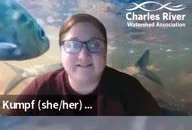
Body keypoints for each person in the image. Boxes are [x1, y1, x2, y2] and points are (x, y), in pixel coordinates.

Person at [18, 13, 161, 116]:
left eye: (94, 44)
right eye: (73, 45)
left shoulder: (130, 89)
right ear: (61, 50)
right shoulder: (40, 89)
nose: (83, 55)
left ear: (106, 50)